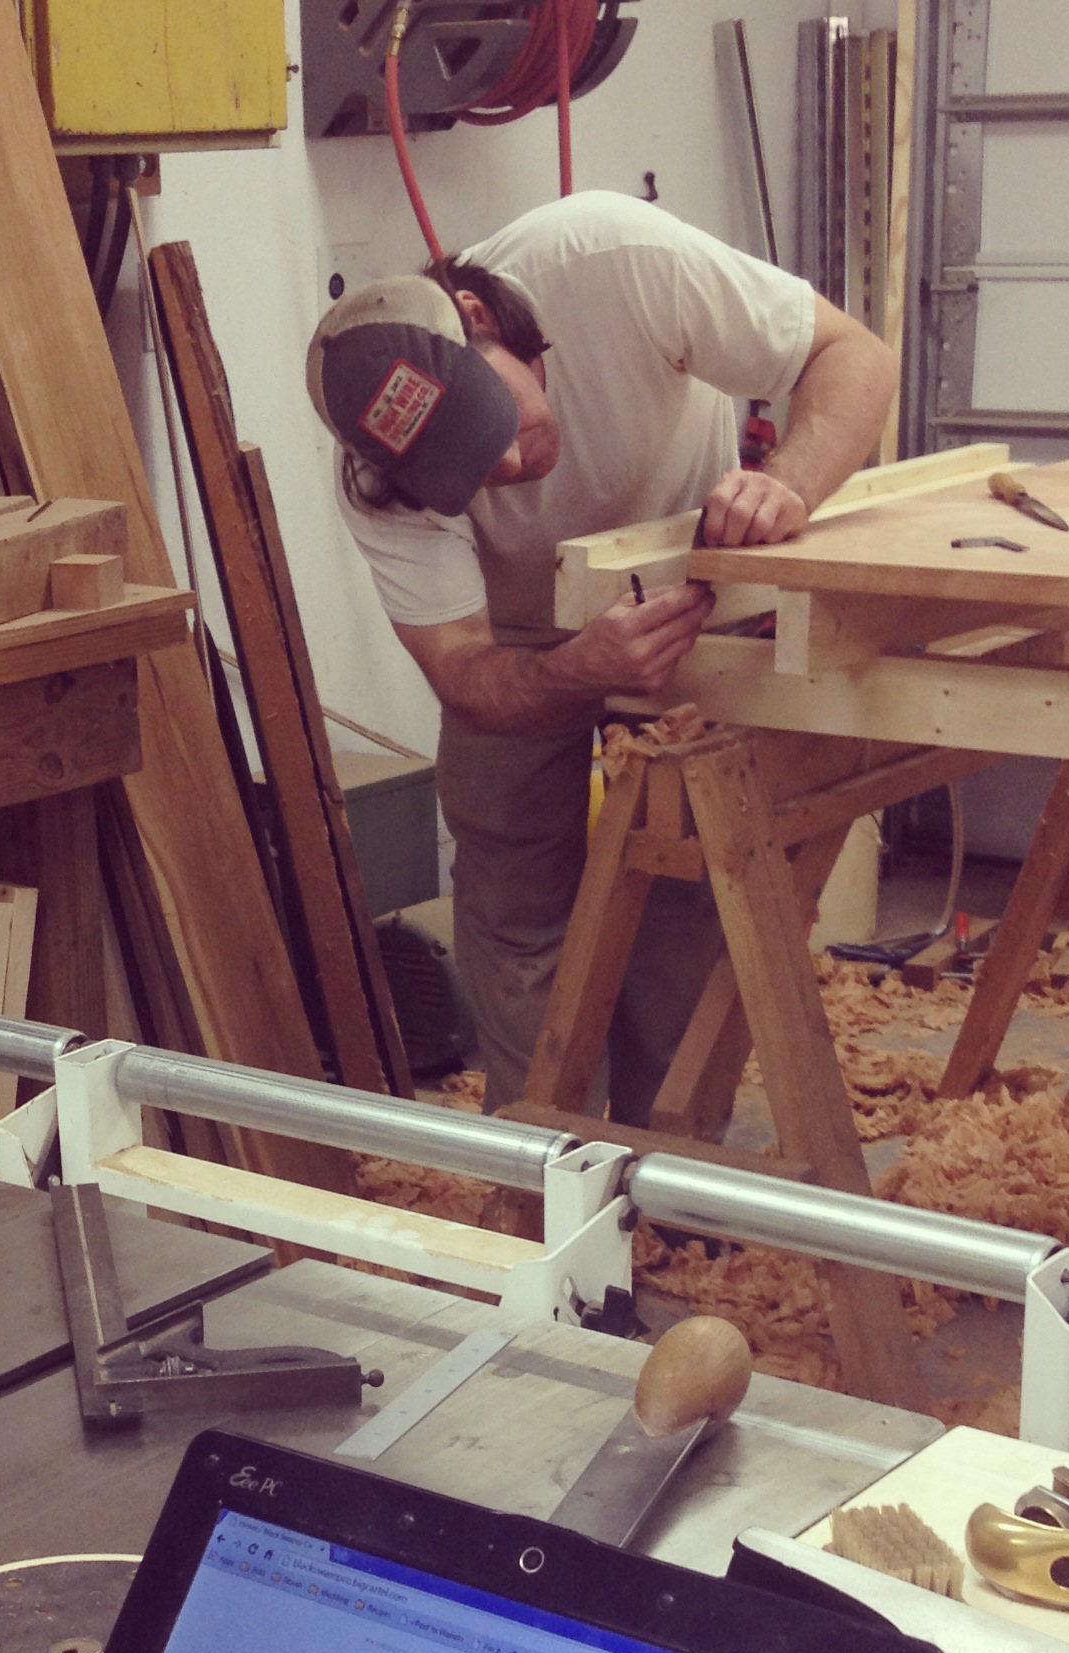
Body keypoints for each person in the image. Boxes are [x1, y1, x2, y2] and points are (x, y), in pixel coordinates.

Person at [304, 191, 896, 1118]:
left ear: (479, 318)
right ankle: (547, 1155)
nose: (507, 468)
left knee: (690, 890)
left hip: (690, 601)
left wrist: (788, 484)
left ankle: (672, 1151)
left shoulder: (615, 259)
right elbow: (462, 673)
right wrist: (573, 671)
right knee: (511, 901)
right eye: (467, 466)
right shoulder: (382, 482)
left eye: (493, 426)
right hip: (519, 640)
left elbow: (853, 354)